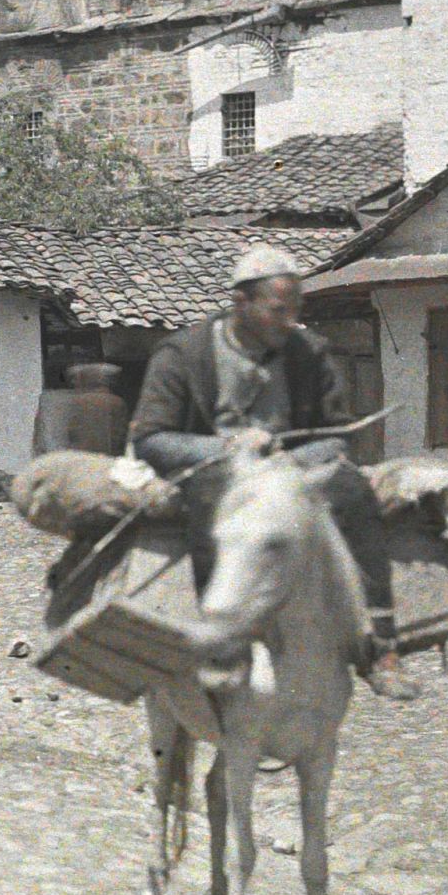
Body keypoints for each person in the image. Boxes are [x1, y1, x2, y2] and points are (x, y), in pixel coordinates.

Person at [128, 243, 420, 701]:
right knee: (211, 504)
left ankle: (379, 644)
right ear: (241, 304)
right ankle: (223, 644)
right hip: (214, 470)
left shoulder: (310, 353)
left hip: (293, 469)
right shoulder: (184, 354)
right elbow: (151, 437)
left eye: (296, 310)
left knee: (353, 492)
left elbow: (337, 434)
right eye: (279, 310)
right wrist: (226, 447)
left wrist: (293, 457)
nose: (291, 322)